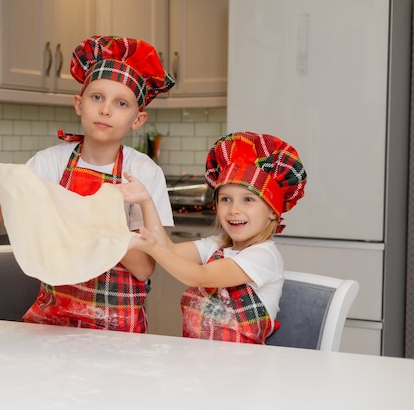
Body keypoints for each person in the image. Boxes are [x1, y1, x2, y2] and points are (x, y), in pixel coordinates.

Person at [0, 35, 175, 333]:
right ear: (79, 104)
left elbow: (145, 267)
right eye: (97, 97)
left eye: (121, 103)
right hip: (51, 320)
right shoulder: (50, 163)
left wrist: (85, 220)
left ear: (138, 119)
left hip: (116, 327)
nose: (105, 109)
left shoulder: (142, 172)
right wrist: (0, 176)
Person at [119, 131, 307, 343]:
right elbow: (168, 249)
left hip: (243, 367)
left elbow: (199, 276)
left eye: (248, 200)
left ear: (273, 211)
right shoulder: (215, 245)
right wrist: (146, 201)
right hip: (201, 360)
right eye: (226, 199)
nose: (234, 209)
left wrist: (152, 249)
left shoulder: (264, 256)